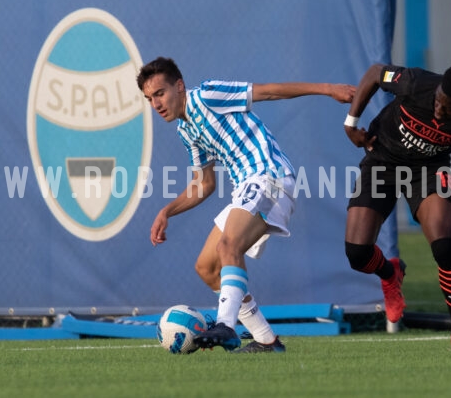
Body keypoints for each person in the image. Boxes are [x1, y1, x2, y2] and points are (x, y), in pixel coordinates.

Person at [137, 57, 355, 352]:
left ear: (179, 86)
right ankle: (266, 340)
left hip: (269, 176)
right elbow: (205, 184)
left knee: (229, 247)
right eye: (149, 98)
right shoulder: (186, 131)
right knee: (207, 267)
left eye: (160, 93)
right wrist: (167, 211)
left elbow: (269, 91)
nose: (156, 103)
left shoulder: (207, 95)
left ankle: (226, 324)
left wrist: (328, 89)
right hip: (247, 187)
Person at [342, 63, 451, 351]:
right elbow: (375, 73)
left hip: (429, 170)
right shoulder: (414, 82)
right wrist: (351, 124)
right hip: (382, 161)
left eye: (448, 109)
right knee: (357, 253)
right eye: (437, 101)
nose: (439, 110)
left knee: (444, 247)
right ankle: (390, 273)